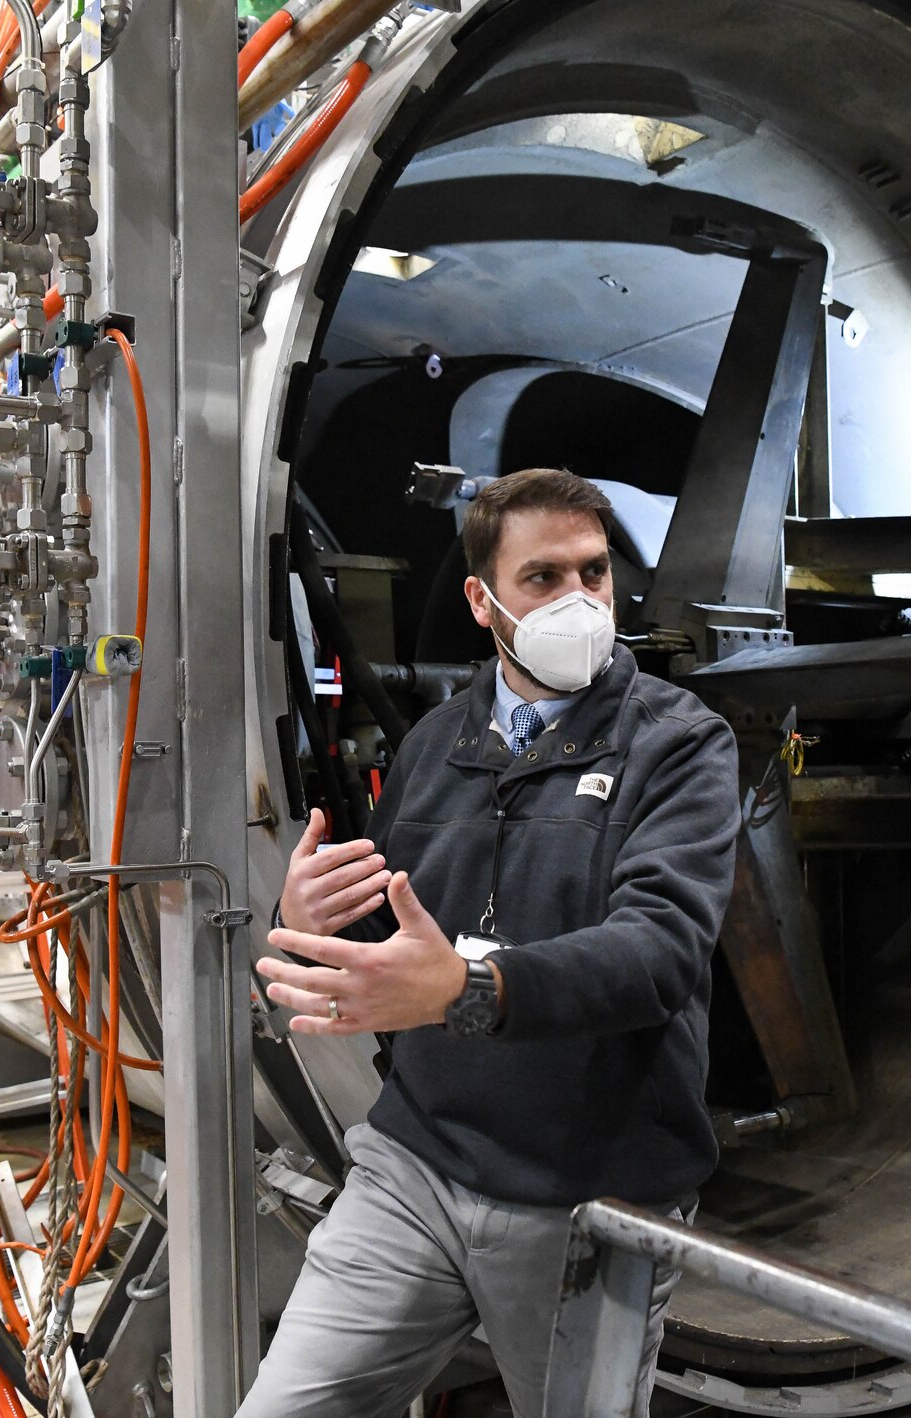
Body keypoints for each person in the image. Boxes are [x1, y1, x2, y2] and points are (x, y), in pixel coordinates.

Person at [238, 468, 739, 1418]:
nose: (582, 602)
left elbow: (659, 952)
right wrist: (307, 921)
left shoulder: (677, 743)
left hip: (588, 1196)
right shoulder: (435, 745)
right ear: (482, 599)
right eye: (543, 579)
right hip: (414, 1166)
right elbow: (400, 938)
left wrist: (468, 988)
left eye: (594, 573)